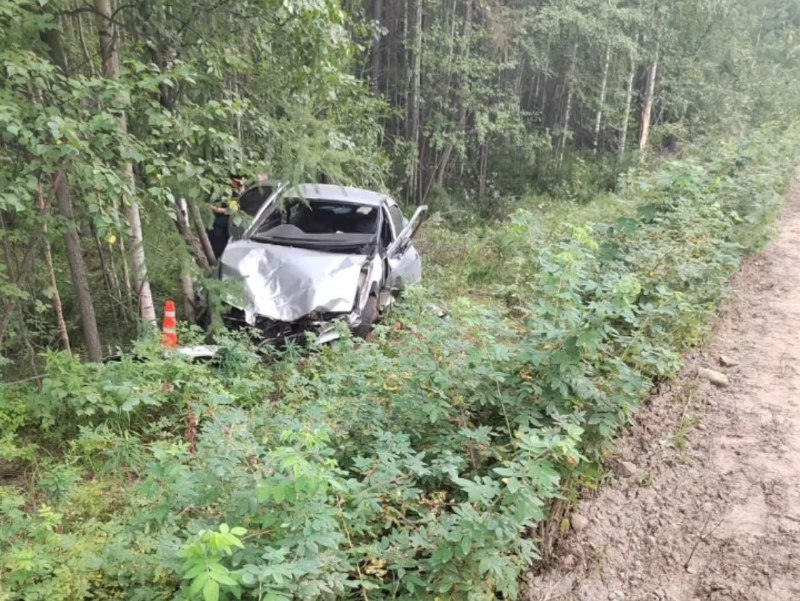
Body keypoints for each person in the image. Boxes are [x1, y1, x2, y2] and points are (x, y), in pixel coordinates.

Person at [208, 173, 246, 259]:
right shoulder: (226, 190)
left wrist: (215, 209)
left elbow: (232, 210)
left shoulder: (241, 191)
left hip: (234, 219)